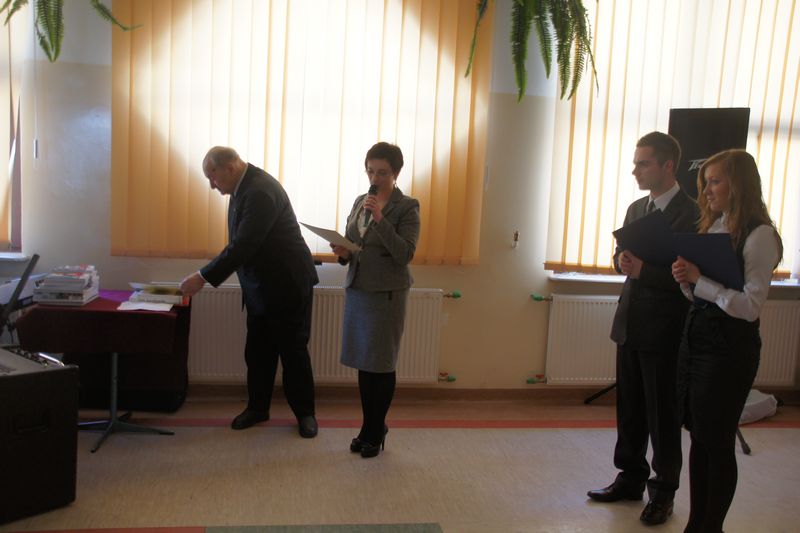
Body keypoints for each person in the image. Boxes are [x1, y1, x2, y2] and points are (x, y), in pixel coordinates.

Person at [588, 132, 699, 525]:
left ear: (668, 166)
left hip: (666, 328)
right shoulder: (637, 208)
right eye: (635, 163)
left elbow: (692, 278)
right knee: (630, 409)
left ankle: (663, 491)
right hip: (630, 322)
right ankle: (630, 477)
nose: (635, 170)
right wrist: (621, 260)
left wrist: (643, 270)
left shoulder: (692, 214)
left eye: (643, 163)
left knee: (662, 415)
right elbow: (622, 255)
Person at [671, 149, 782, 533]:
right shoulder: (716, 226)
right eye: (706, 183)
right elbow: (703, 294)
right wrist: (686, 280)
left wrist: (700, 281)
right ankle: (696, 524)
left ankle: (711, 527)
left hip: (729, 350)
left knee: (717, 442)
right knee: (699, 439)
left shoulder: (760, 235)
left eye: (715, 182)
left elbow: (750, 306)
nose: (706, 191)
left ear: (739, 185)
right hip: (697, 341)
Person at [180, 146, 319, 438]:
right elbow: (240, 245)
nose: (212, 185)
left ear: (230, 167)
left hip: (288, 284)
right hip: (259, 286)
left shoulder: (260, 191)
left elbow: (243, 245)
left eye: (213, 177)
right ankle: (258, 408)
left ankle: (305, 414)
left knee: (293, 353)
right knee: (258, 353)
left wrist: (203, 277)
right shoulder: (241, 187)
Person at [330, 142, 420, 458]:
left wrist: (380, 218)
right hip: (359, 289)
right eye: (370, 171)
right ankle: (370, 427)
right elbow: (354, 243)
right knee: (365, 363)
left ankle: (374, 429)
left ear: (396, 173)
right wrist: (343, 251)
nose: (374, 178)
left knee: (381, 364)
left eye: (382, 172)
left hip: (387, 294)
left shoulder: (407, 207)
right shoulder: (360, 201)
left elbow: (405, 253)